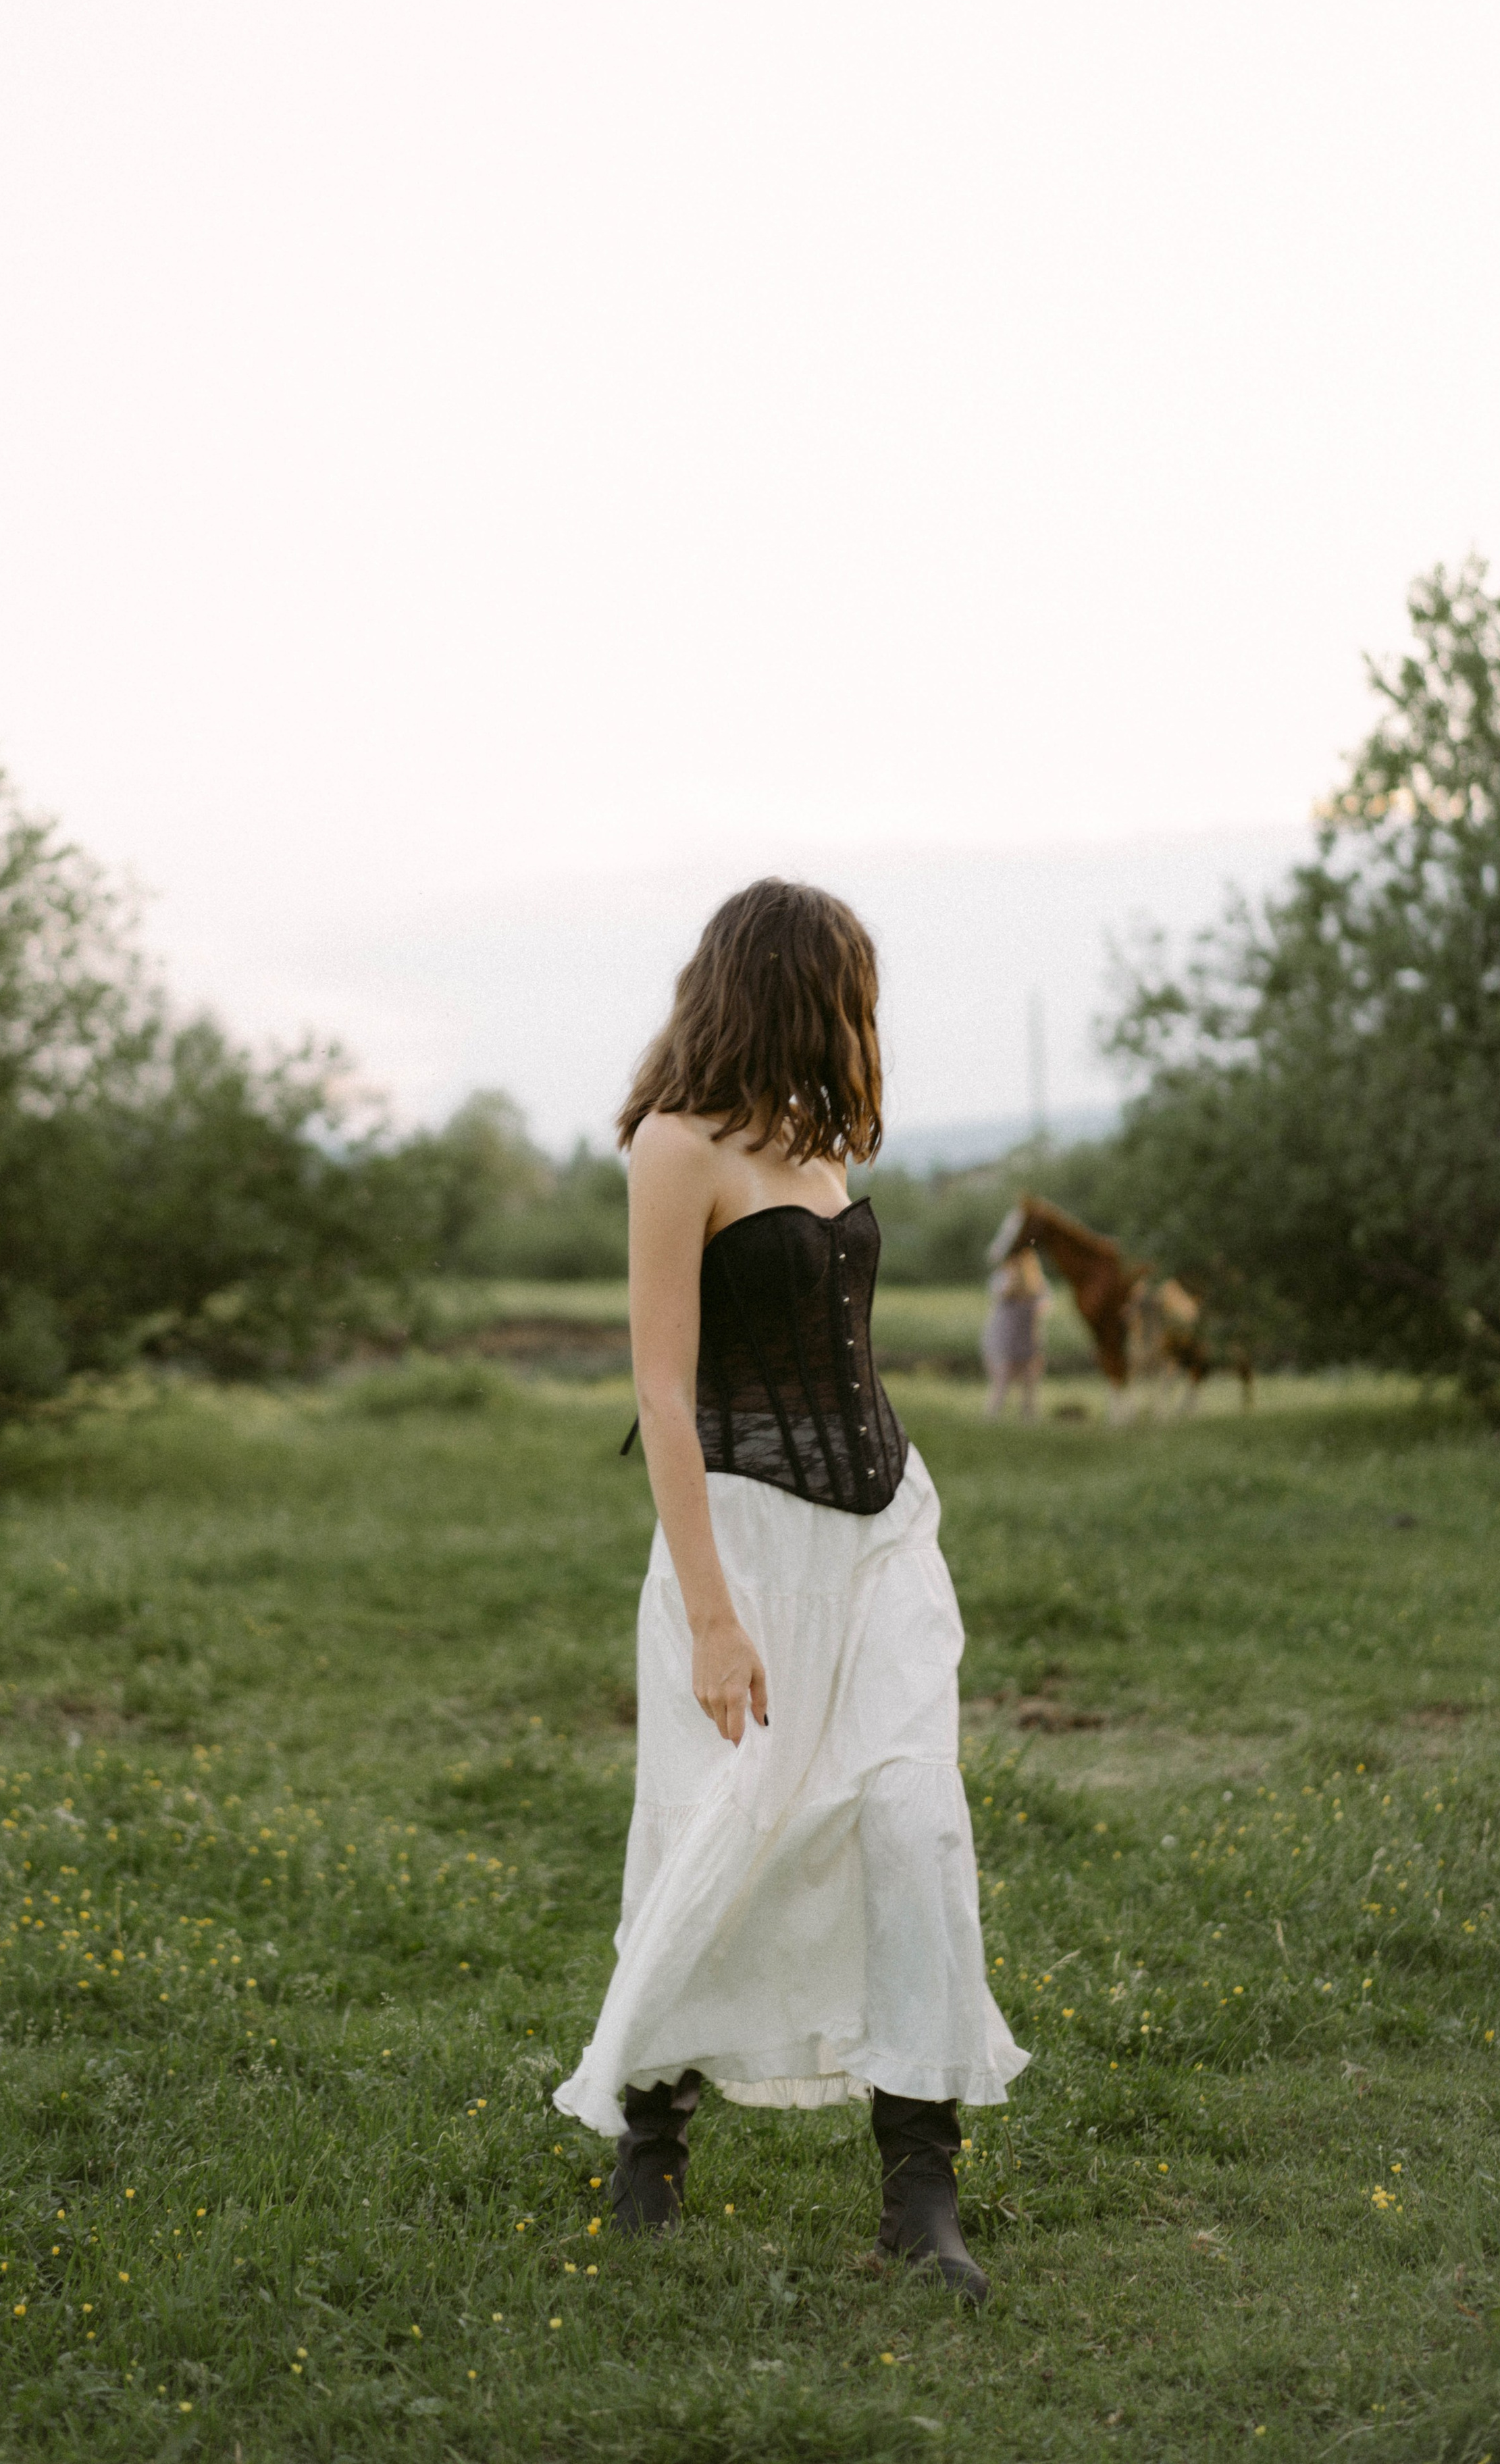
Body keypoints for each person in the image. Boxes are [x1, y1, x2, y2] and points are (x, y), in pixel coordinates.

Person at [552, 879, 1027, 2297]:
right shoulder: (674, 1144)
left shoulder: (821, 1140)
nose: (861, 1018)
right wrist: (709, 1609)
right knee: (718, 1822)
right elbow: (660, 1381)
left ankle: (916, 2185)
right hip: (743, 1541)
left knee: (909, 1813)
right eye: (847, 989)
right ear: (788, 985)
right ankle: (649, 2140)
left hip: (882, 1527)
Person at [982, 1245, 1050, 1420]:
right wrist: (1015, 1279)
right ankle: (992, 1417)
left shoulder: (1037, 1282)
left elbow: (1044, 1306)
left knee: (1030, 1382)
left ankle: (1029, 1418)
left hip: (1028, 1338)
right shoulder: (1002, 1278)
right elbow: (1002, 1294)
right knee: (1003, 1380)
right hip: (1005, 1338)